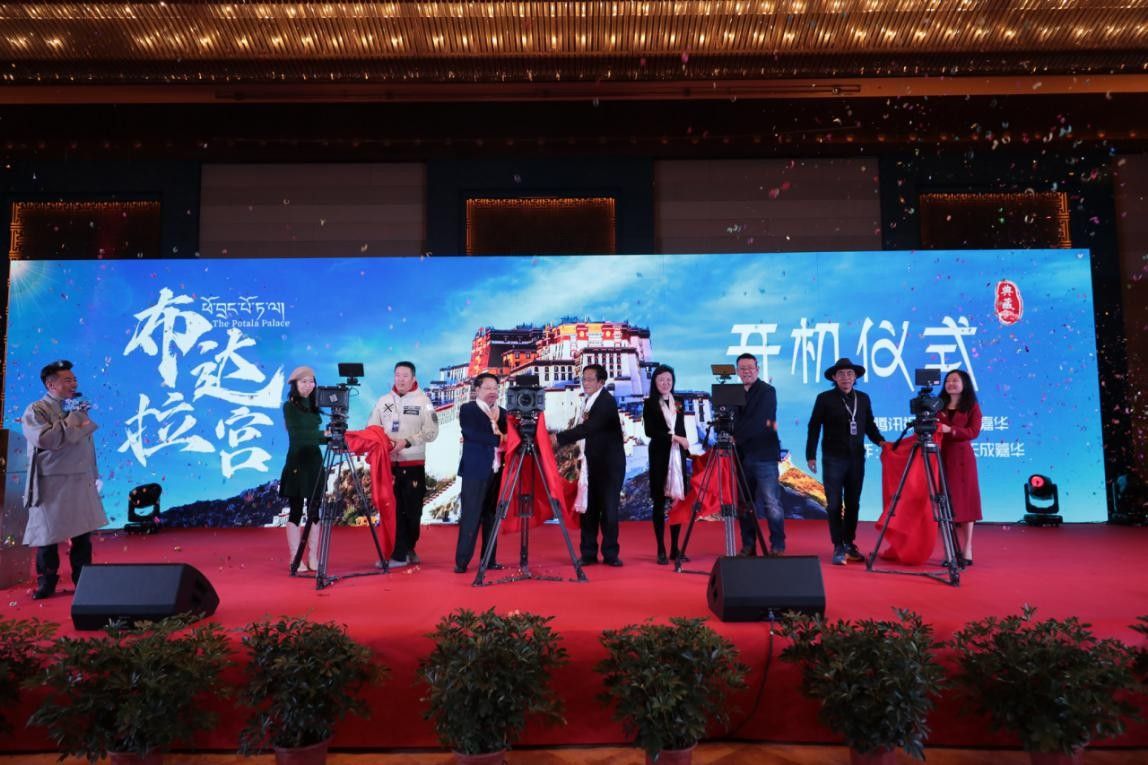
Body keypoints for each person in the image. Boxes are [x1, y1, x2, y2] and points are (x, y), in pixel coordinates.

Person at [21, 360, 109, 599]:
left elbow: (86, 445)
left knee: (82, 534)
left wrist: (93, 474)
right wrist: (75, 417)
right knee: (48, 536)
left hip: (80, 479)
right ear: (51, 384)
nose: (74, 384)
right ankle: (46, 582)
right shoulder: (36, 409)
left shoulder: (75, 407)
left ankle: (84, 580)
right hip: (52, 483)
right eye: (67, 380)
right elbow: (46, 440)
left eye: (74, 379)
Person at [806, 357, 886, 566]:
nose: (846, 377)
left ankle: (849, 543)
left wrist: (881, 442)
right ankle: (838, 546)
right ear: (834, 377)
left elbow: (869, 426)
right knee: (834, 504)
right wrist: (810, 455)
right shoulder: (824, 398)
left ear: (855, 377)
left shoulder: (863, 398)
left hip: (856, 458)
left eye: (850, 373)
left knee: (853, 503)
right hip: (833, 458)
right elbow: (814, 426)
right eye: (841, 374)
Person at [367, 360, 439, 568]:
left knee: (413, 511)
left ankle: (409, 548)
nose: (401, 379)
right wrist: (383, 441)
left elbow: (432, 432)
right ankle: (398, 555)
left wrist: (407, 442)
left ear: (413, 378)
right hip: (389, 466)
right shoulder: (383, 401)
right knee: (393, 510)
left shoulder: (424, 401)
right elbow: (372, 427)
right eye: (397, 375)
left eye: (405, 376)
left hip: (413, 464)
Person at [555, 363, 626, 567]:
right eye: (583, 379)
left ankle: (611, 554)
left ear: (601, 382)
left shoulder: (605, 402)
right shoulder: (589, 401)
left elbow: (588, 428)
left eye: (590, 379)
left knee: (609, 511)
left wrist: (558, 438)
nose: (585, 383)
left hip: (610, 467)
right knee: (589, 510)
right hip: (592, 463)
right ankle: (588, 554)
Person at [732, 353, 786, 557]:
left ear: (757, 369)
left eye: (750, 367)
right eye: (742, 368)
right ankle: (748, 545)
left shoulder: (767, 391)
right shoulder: (734, 393)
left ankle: (777, 545)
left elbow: (760, 422)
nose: (746, 371)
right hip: (741, 456)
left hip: (764, 455)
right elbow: (730, 420)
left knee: (771, 502)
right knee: (744, 503)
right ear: (737, 371)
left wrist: (736, 436)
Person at [454, 373, 506, 574]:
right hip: (475, 471)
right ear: (477, 390)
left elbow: (512, 437)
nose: (492, 392)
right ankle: (462, 561)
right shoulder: (468, 409)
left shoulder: (503, 413)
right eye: (488, 388)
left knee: (492, 516)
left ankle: (489, 559)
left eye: (495, 388)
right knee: (471, 515)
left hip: (497, 470)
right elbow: (471, 433)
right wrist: (499, 439)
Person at [278, 366, 326, 573]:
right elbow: (298, 435)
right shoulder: (289, 407)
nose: (308, 385)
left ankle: (313, 556)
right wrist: (323, 435)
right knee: (296, 510)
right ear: (295, 384)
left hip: (315, 461)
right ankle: (295, 557)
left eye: (311, 381)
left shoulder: (315, 406)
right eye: (303, 381)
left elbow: (316, 437)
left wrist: (334, 436)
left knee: (314, 510)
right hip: (297, 461)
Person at [642, 364, 689, 565]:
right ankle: (660, 548)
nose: (665, 383)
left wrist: (685, 447)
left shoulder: (678, 402)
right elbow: (650, 432)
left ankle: (675, 548)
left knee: (677, 503)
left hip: (677, 456)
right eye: (661, 380)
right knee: (660, 502)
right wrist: (675, 438)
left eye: (669, 380)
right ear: (655, 382)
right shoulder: (650, 403)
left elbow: (681, 427)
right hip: (660, 455)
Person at [938, 368, 982, 565]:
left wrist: (951, 430)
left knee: (966, 503)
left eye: (955, 380)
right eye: (948, 380)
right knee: (945, 504)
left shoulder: (971, 406)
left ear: (964, 384)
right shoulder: (937, 405)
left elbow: (973, 431)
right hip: (941, 456)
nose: (951, 384)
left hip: (963, 459)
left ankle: (967, 548)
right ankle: (949, 550)